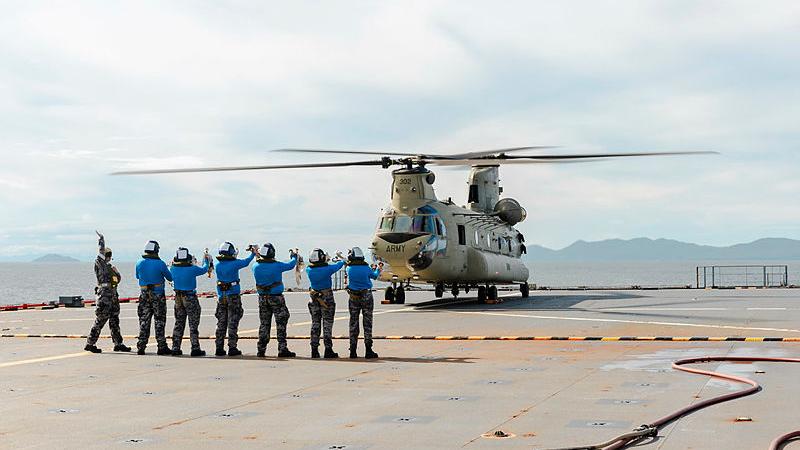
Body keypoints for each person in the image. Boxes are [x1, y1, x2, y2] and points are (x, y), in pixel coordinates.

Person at [85, 231, 131, 354]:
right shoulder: (99, 264)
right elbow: (100, 252)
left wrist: (117, 272)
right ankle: (90, 343)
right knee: (101, 319)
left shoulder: (110, 267)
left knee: (114, 319)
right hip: (104, 295)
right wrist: (101, 240)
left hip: (113, 295)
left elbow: (117, 280)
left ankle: (118, 343)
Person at [252, 244, 297, 358]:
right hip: (276, 298)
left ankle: (261, 349)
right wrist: (294, 256)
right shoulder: (277, 265)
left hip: (262, 298)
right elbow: (291, 265)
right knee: (281, 322)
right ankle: (282, 348)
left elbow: (259, 260)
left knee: (264, 324)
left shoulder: (255, 266)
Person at [214, 242, 255, 356]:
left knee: (221, 323)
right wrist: (253, 253)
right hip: (233, 296)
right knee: (233, 322)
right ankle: (232, 347)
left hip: (221, 297)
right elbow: (246, 262)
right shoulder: (234, 264)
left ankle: (219, 348)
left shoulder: (218, 265)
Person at [169, 247, 211, 357]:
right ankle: (195, 348)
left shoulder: (173, 268)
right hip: (190, 297)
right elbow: (204, 269)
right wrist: (206, 259)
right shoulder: (192, 269)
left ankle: (175, 347)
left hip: (178, 297)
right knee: (193, 324)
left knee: (179, 323)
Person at [305, 248, 345, 358]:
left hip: (314, 297)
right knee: (327, 324)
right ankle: (328, 349)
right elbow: (340, 264)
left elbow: (320, 266)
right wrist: (338, 258)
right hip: (326, 297)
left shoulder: (308, 269)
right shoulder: (328, 269)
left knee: (315, 324)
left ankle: (314, 350)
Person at [135, 240, 173, 356]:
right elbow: (170, 278)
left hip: (144, 294)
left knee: (144, 321)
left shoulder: (139, 263)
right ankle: (161, 346)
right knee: (159, 320)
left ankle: (141, 346)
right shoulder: (160, 263)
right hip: (158, 294)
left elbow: (137, 276)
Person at [345, 247, 382, 359]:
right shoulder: (366, 268)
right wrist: (378, 269)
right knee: (367, 323)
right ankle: (368, 350)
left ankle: (353, 350)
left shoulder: (349, 268)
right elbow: (374, 276)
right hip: (366, 296)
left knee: (353, 323)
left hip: (353, 297)